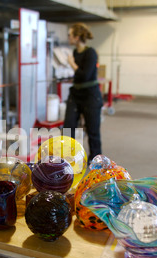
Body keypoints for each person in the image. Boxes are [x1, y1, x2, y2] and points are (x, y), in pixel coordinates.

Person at [63, 23, 103, 162]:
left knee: (93, 131)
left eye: (70, 34)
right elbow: (78, 75)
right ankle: (68, 159)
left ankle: (96, 161)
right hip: (76, 94)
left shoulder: (90, 52)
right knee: (68, 128)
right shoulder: (75, 53)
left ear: (77, 37)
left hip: (90, 95)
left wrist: (72, 63)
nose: (68, 37)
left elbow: (85, 75)